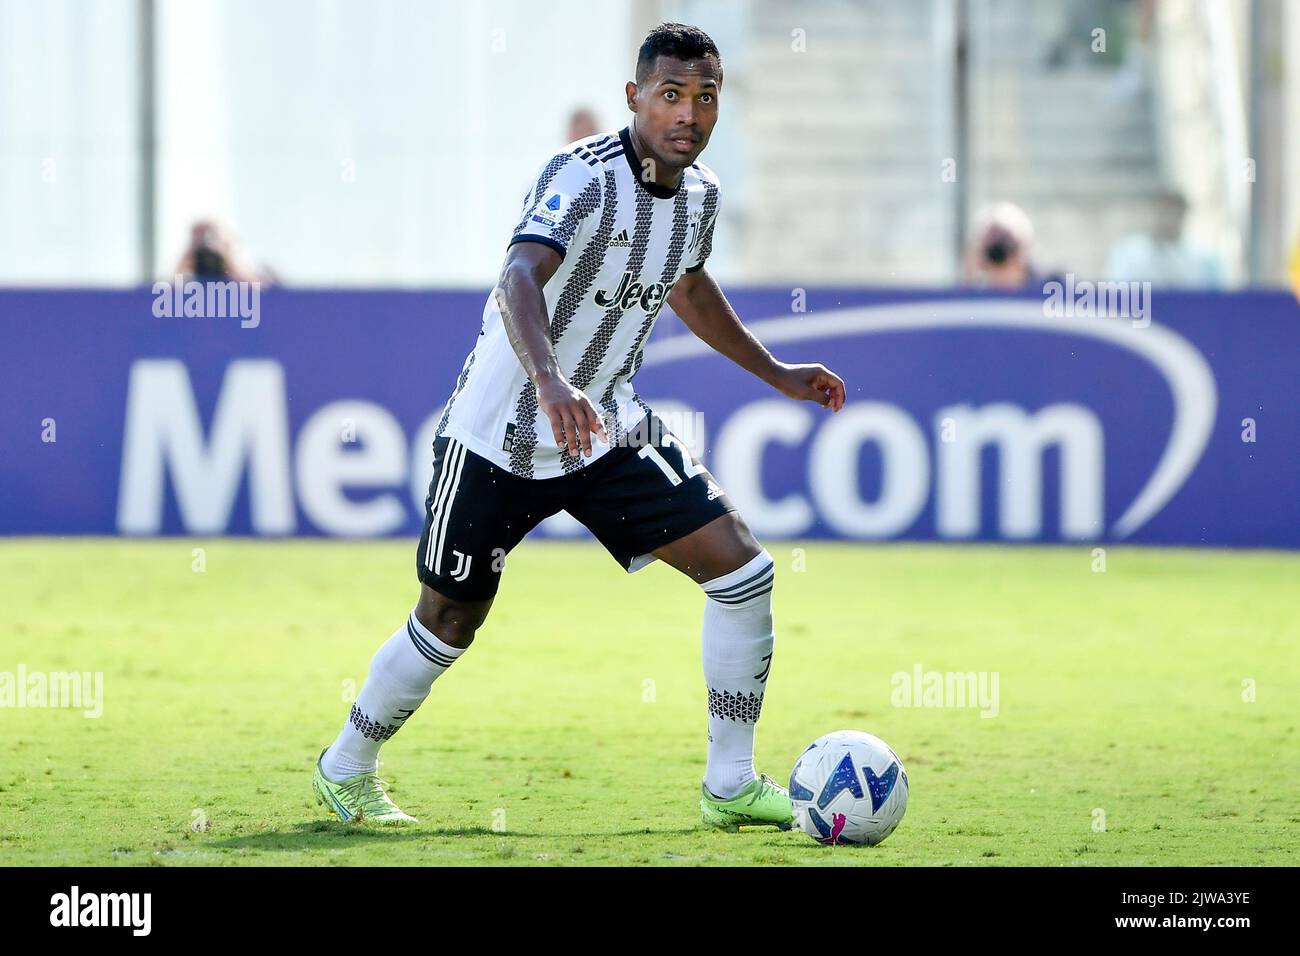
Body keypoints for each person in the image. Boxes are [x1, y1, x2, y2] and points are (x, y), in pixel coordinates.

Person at [311, 23, 845, 830]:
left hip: (605, 427)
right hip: (500, 432)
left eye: (706, 98)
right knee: (450, 619)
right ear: (634, 98)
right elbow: (519, 275)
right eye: (671, 95)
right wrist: (550, 379)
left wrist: (774, 373)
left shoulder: (700, 198)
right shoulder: (583, 176)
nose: (689, 115)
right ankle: (346, 766)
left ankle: (730, 784)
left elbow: (689, 290)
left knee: (743, 573)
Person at [1106, 190, 1225, 288]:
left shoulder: (1204, 259)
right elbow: (1117, 294)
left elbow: (1218, 298)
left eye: (1174, 212)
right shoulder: (1130, 253)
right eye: (1164, 211)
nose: (1169, 219)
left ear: (1183, 215)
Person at [962, 202, 1043, 290]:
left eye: (1005, 241)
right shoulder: (972, 301)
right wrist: (968, 277)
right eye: (991, 243)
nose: (999, 251)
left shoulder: (1048, 297)